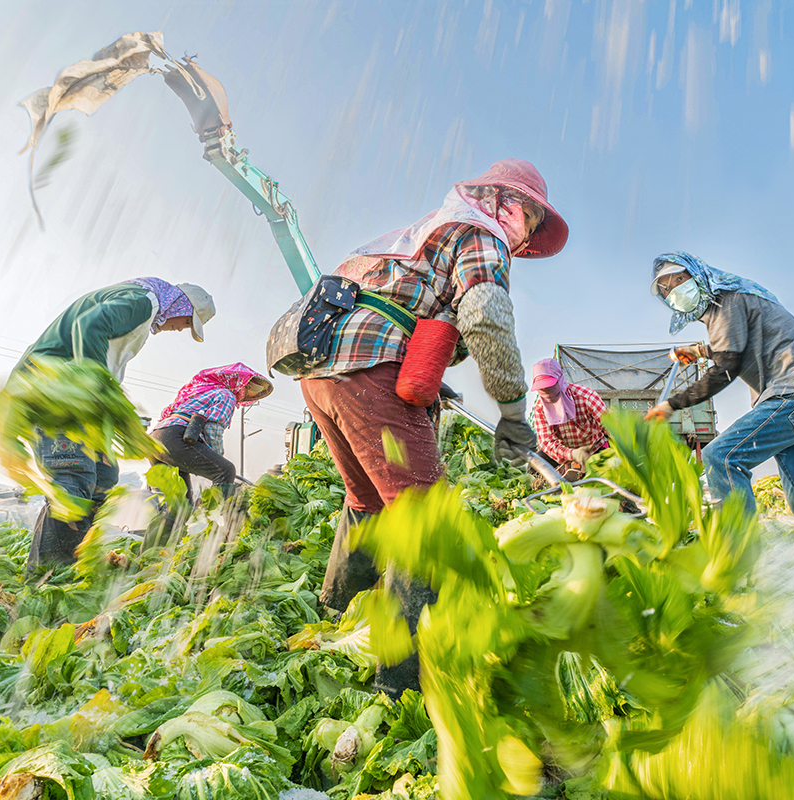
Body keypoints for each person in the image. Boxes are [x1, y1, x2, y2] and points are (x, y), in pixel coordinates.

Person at [276, 158, 568, 697]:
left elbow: (401, 308)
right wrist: (511, 411)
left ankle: (336, 613)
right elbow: (486, 316)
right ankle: (402, 682)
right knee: (427, 522)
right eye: (529, 221)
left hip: (320, 373)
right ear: (508, 203)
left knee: (365, 501)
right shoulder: (481, 233)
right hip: (369, 372)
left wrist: (436, 375)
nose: (524, 237)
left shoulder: (419, 232)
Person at [642, 252, 794, 554]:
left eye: (679, 279)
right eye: (665, 288)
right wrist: (700, 351)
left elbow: (727, 365)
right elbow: (738, 340)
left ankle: (742, 559)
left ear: (697, 274)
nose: (674, 289)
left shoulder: (724, 301)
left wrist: (672, 404)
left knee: (721, 456)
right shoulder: (734, 301)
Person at [18, 277, 215, 569]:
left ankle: (76, 556)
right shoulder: (143, 301)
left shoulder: (142, 311)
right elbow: (89, 327)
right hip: (56, 391)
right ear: (181, 305)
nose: (179, 329)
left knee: (104, 476)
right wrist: (98, 388)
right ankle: (48, 575)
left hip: (83, 404)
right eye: (186, 322)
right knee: (73, 481)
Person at [151, 363, 273, 502]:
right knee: (226, 471)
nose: (244, 394)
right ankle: (223, 520)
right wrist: (218, 459)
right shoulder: (227, 395)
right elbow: (213, 429)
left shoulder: (201, 392)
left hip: (155, 440)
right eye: (246, 388)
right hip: (175, 437)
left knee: (181, 505)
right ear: (238, 383)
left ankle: (168, 523)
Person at [528, 357, 609, 478]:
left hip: (594, 448)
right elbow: (547, 442)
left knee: (601, 477)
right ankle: (549, 492)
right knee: (534, 467)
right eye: (542, 387)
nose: (546, 390)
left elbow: (610, 425)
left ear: (560, 379)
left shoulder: (586, 396)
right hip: (564, 451)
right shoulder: (540, 408)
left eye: (550, 385)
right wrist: (573, 454)